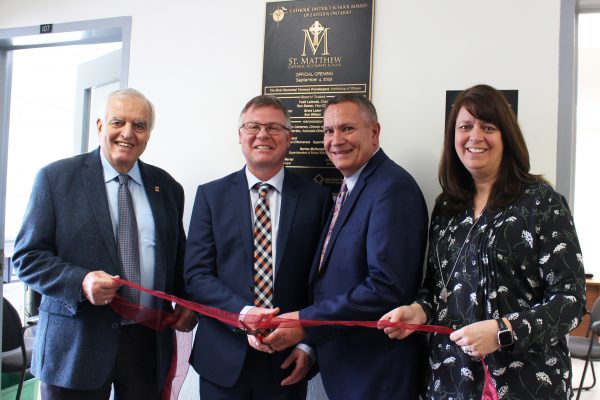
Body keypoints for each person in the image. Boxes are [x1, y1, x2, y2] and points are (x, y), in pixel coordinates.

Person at [380, 84, 587, 399]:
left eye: (487, 127)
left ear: (507, 137)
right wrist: (418, 312)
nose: (475, 136)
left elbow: (570, 303)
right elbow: (437, 289)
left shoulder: (542, 202)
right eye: (465, 127)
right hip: (450, 381)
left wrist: (503, 331)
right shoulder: (447, 207)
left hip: (525, 383)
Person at [12, 88, 197, 399]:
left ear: (148, 134)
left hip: (146, 345)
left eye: (139, 125)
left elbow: (178, 259)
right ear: (100, 126)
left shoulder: (166, 188)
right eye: (117, 122)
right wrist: (80, 281)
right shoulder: (56, 179)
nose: (128, 133)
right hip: (76, 346)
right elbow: (27, 258)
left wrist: (189, 305)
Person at [263, 93, 429, 399]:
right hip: (347, 366)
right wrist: (309, 343)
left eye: (347, 129)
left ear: (374, 132)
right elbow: (334, 278)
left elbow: (386, 287)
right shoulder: (350, 186)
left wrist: (305, 321)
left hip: (377, 372)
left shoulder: (392, 189)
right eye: (328, 131)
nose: (336, 140)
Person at [183, 95, 332, 399]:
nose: (262, 134)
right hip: (222, 360)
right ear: (240, 136)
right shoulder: (211, 196)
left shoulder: (317, 200)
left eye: (274, 128)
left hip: (288, 360)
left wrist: (309, 343)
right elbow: (196, 276)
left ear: (288, 139)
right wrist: (244, 312)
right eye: (253, 126)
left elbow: (323, 282)